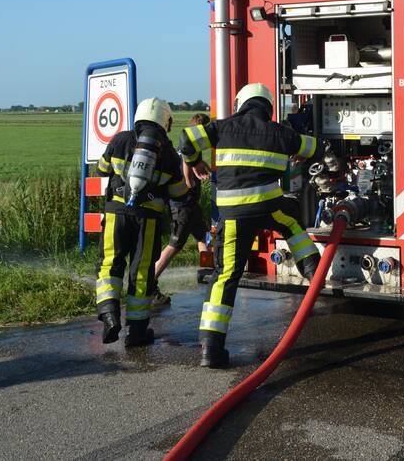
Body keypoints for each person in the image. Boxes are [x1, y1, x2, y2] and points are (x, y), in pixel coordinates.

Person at [179, 83, 320, 368]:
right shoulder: (281, 133)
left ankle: (210, 349)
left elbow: (186, 138)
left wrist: (195, 162)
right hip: (268, 207)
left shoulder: (222, 127)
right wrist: (303, 153)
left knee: (225, 276)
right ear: (268, 107)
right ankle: (313, 271)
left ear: (241, 105)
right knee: (291, 221)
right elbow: (315, 147)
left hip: (232, 214)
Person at [94, 98, 198, 347]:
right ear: (165, 121)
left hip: (116, 214)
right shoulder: (169, 153)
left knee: (110, 263)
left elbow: (101, 169)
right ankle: (137, 331)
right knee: (141, 271)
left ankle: (109, 315)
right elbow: (178, 193)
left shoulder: (120, 140)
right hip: (148, 221)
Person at [152, 113, 213, 305]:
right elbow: (187, 163)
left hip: (189, 203)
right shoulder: (193, 144)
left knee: (202, 236)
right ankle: (149, 282)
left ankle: (208, 273)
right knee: (175, 244)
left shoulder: (187, 143)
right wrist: (189, 182)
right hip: (182, 204)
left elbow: (192, 162)